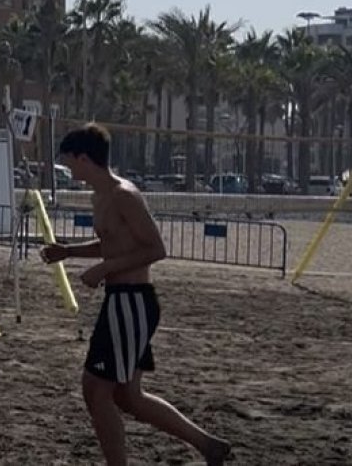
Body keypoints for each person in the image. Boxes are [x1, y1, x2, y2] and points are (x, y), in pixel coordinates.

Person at [41, 124, 230, 466]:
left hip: (132, 302)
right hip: (121, 302)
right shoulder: (100, 197)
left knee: (96, 390)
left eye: (70, 163)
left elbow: (156, 249)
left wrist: (103, 268)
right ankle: (209, 446)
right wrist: (68, 251)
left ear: (84, 158)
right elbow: (113, 244)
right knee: (127, 396)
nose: (69, 170)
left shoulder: (124, 195)